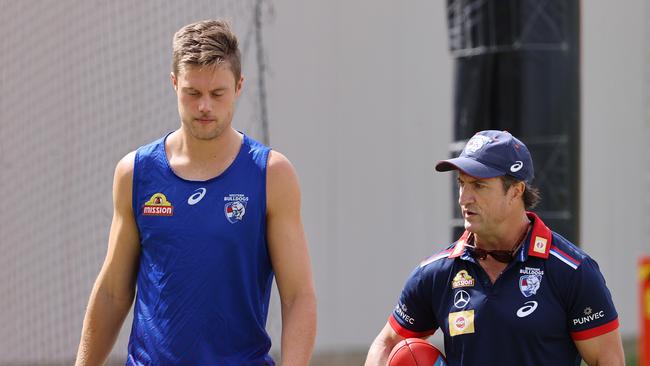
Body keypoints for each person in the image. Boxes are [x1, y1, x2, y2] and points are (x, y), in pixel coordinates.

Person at [75, 19, 317, 365]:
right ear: (174, 84)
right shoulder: (135, 173)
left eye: (217, 93)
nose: (205, 106)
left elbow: (298, 297)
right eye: (193, 93)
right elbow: (113, 293)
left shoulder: (271, 175)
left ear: (239, 87)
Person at [365, 130, 624, 365]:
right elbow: (387, 344)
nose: (464, 198)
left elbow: (608, 360)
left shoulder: (572, 270)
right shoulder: (435, 274)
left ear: (515, 191)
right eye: (461, 183)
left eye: (478, 185)